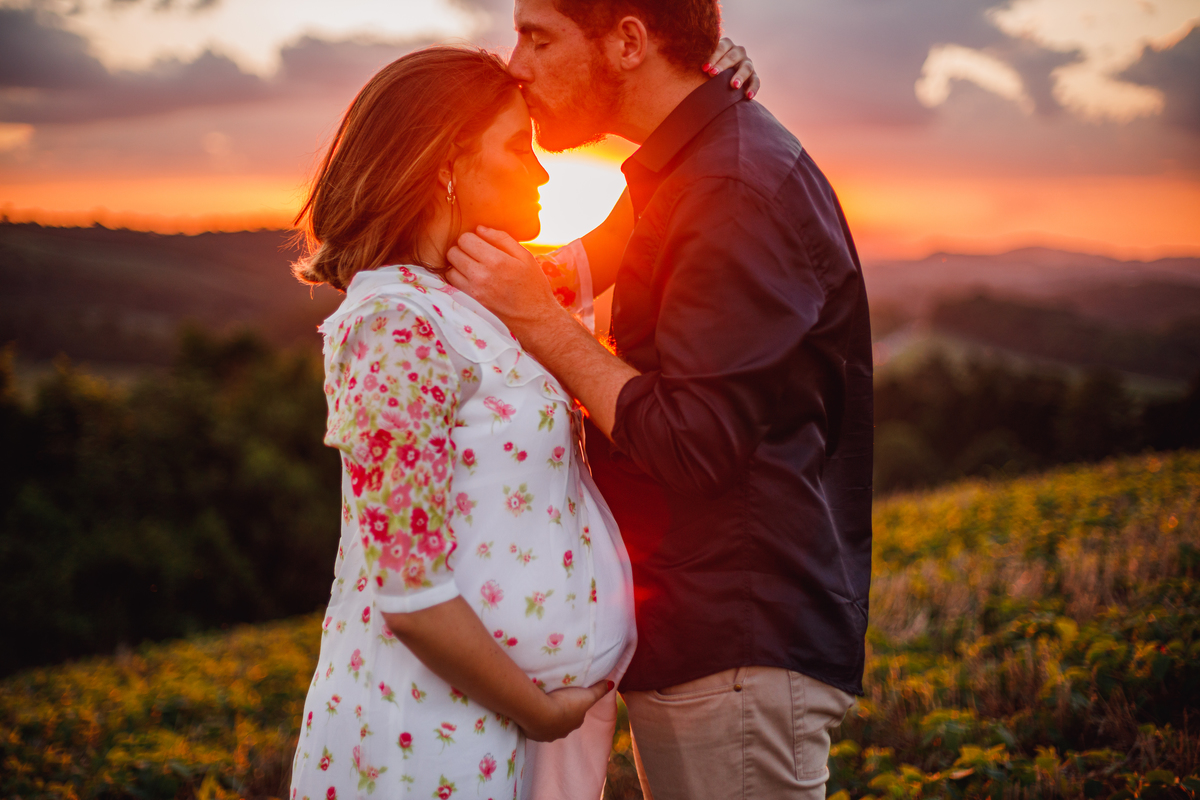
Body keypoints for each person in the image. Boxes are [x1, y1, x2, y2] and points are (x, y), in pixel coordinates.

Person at [286, 42, 758, 800]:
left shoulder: (488, 283)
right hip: (430, 743)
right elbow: (409, 592)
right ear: (446, 166)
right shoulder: (393, 325)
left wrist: (693, 100)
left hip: (516, 735)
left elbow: (624, 233)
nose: (541, 172)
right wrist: (537, 711)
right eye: (519, 148)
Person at [445, 1, 875, 798]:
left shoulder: (732, 185)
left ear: (630, 41)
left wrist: (539, 324)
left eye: (538, 37)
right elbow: (576, 268)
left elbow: (694, 440)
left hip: (735, 647)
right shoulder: (690, 167)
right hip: (709, 640)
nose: (517, 63)